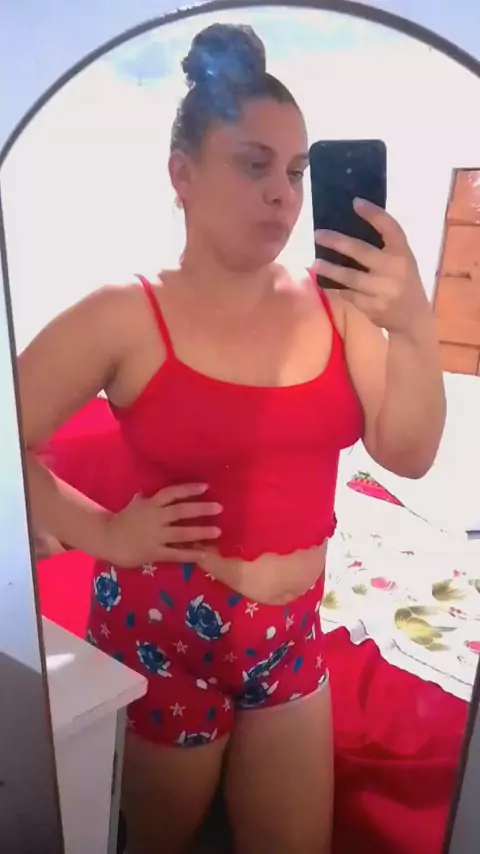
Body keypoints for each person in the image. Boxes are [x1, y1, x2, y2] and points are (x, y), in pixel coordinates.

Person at [19, 22, 445, 854]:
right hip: (162, 629)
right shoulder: (122, 313)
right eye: (255, 166)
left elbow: (409, 454)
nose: (284, 195)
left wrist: (415, 327)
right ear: (182, 175)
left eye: (297, 171)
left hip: (294, 632)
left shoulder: (339, 304)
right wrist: (103, 531)